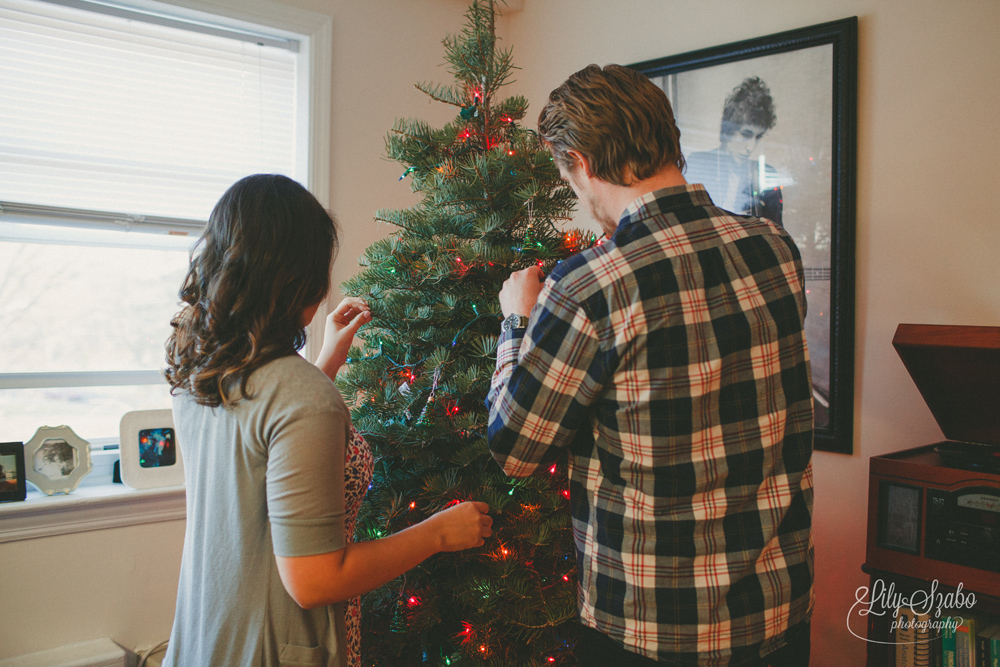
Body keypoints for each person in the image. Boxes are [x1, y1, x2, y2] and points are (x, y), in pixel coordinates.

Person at [487, 65, 813, 666]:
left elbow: (515, 448)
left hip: (650, 634)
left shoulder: (587, 284)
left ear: (582, 163)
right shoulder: (775, 248)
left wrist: (517, 322)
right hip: (777, 617)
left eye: (569, 179)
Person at [163, 174, 492, 667]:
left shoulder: (201, 366)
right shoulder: (301, 396)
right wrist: (437, 533)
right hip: (272, 647)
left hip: (205, 634)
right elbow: (315, 579)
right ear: (299, 277)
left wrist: (326, 362)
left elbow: (259, 448)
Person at [685, 77, 784, 226]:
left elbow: (777, 234)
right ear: (728, 131)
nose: (751, 147)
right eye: (746, 134)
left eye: (758, 137)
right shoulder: (699, 163)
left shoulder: (765, 174)